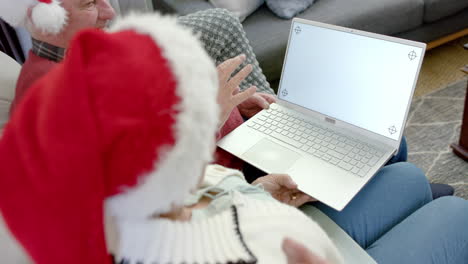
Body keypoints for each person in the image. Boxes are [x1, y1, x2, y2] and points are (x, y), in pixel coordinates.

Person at [0, 15, 467, 264]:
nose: (106, 11)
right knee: (453, 210)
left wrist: (255, 194)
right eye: (86, 3)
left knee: (403, 171)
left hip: (245, 206)